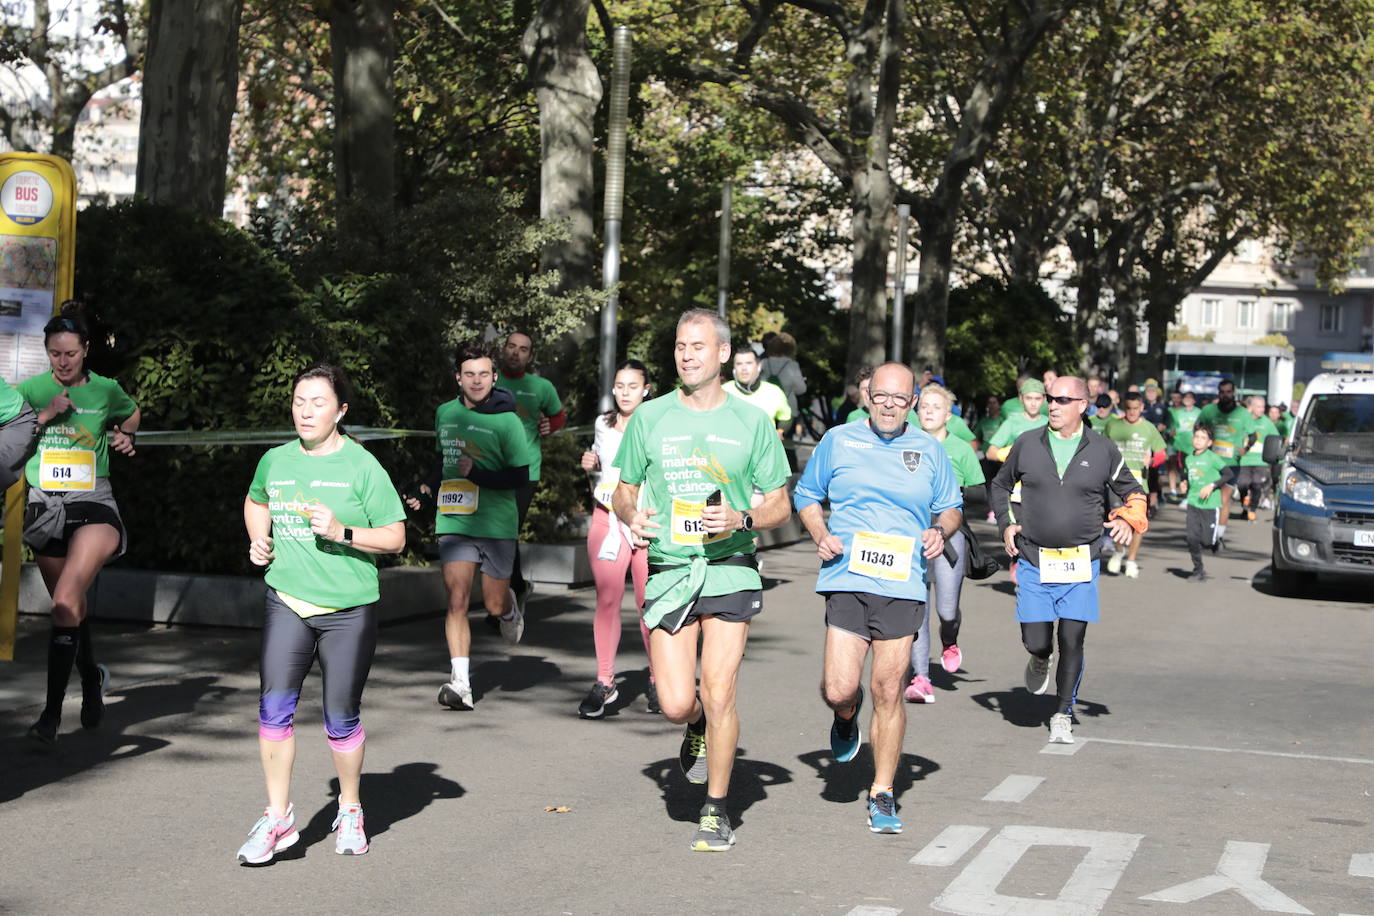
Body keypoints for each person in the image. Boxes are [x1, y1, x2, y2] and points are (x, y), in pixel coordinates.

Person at [611, 308, 791, 852]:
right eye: (680, 345)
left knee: (719, 691)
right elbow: (624, 488)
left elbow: (781, 503)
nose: (686, 354)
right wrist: (629, 513)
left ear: (722, 355)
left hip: (731, 565)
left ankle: (716, 806)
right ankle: (693, 728)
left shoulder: (751, 422)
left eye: (697, 345)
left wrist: (743, 519)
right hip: (669, 566)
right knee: (674, 701)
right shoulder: (651, 417)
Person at [239, 364, 406, 863]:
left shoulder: (362, 467)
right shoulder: (276, 460)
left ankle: (350, 808)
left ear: (341, 411)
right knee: (273, 710)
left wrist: (342, 532)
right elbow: (255, 502)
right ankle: (277, 818)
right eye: (298, 401)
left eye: (317, 402)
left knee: (340, 718)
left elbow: (396, 538)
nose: (306, 411)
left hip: (348, 609)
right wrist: (257, 539)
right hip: (287, 599)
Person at [794, 362, 961, 833]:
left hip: (903, 583)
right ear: (867, 395)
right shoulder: (838, 439)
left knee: (889, 689)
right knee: (839, 689)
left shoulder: (928, 450)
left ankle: (883, 791)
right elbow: (806, 495)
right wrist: (819, 532)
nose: (889, 405)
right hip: (847, 574)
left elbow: (951, 508)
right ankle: (846, 717)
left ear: (912, 403)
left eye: (899, 398)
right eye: (880, 396)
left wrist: (938, 530)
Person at [989, 375, 1147, 744]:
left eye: (1062, 399)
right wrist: (1007, 526)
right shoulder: (1027, 444)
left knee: (1072, 639)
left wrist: (1127, 518)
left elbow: (1133, 492)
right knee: (1037, 640)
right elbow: (998, 485)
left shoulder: (1103, 449)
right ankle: (1039, 658)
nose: (1053, 405)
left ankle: (1063, 711)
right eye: (1049, 399)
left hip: (1081, 561)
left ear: (1082, 405)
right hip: (1033, 558)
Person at [20, 306, 138, 745]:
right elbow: (8, 433)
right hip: (45, 508)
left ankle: (49, 717)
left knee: (67, 599)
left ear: (86, 350)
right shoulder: (31, 390)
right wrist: (45, 415)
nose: (63, 362)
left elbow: (131, 413)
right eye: (55, 354)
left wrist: (127, 434)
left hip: (93, 504)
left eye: (70, 353)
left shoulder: (106, 389)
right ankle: (90, 677)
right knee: (68, 610)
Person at [414, 344, 535, 712]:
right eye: (470, 374)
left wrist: (478, 474)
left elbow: (520, 476)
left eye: (484, 374)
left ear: (494, 378)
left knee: (493, 604)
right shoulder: (445, 414)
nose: (477, 380)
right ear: (458, 378)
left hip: (497, 522)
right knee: (456, 600)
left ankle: (509, 609)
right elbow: (443, 461)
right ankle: (461, 683)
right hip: (455, 519)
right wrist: (425, 488)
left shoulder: (508, 421)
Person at [577, 360, 656, 718]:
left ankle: (658, 679)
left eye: (632, 386)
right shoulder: (603, 422)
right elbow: (603, 462)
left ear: (646, 390)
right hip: (606, 519)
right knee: (607, 598)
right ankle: (605, 681)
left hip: (643, 522)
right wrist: (591, 461)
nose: (625, 392)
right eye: (619, 386)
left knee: (647, 604)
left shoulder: (656, 424)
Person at [905, 383, 984, 703]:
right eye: (924, 406)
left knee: (946, 610)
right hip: (912, 535)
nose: (929, 412)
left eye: (936, 407)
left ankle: (949, 639)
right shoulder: (905, 443)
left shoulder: (961, 449)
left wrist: (953, 501)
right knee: (917, 606)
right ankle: (921, 677)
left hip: (951, 536)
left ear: (948, 415)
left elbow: (979, 493)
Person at [496, 331, 565, 611]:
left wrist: (551, 425)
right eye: (512, 346)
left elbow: (557, 414)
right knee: (498, 534)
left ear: (530, 356)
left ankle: (507, 600)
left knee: (506, 531)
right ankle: (516, 588)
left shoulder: (541, 386)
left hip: (526, 471)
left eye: (523, 349)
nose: (516, 352)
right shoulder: (488, 380)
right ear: (503, 349)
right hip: (489, 469)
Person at [1102, 393, 1167, 578]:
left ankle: (1131, 560)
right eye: (1129, 408)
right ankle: (1118, 551)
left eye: (1136, 409)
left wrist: (1152, 460)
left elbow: (1162, 453)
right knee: (1118, 520)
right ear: (1124, 407)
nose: (1132, 412)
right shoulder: (1113, 425)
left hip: (1139, 483)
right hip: (1115, 483)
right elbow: (1102, 448)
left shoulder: (1148, 428)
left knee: (1137, 523)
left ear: (1141, 408)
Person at [1195, 378, 1251, 542]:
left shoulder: (1242, 413)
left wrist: (1245, 449)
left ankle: (1217, 536)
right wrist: (1201, 444)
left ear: (1233, 393)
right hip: (1209, 462)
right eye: (1222, 392)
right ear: (1218, 393)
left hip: (1231, 464)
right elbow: (1197, 427)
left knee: (1223, 499)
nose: (1226, 395)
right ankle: (1205, 529)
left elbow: (1253, 436)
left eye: (1228, 392)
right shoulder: (1208, 410)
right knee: (1205, 497)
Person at [1183, 424, 1226, 581]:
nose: (1198, 440)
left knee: (1206, 542)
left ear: (1209, 443)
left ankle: (1215, 542)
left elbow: (1227, 474)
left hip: (1210, 505)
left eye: (1203, 438)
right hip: (1193, 502)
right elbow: (1186, 474)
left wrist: (1212, 485)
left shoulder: (1213, 458)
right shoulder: (1188, 458)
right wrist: (1183, 483)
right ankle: (1198, 569)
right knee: (1192, 538)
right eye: (1196, 437)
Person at [724, 347, 791, 433]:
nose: (744, 368)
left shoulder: (774, 392)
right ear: (734, 368)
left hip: (764, 445)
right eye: (739, 364)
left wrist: (780, 432)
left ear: (759, 366)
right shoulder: (723, 391)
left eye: (749, 363)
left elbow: (786, 417)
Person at [1237, 395, 1280, 521]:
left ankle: (1252, 509)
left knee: (1256, 485)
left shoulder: (1267, 422)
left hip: (1261, 461)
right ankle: (1244, 505)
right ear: (1252, 407)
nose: (1262, 409)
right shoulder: (1244, 420)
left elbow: (1275, 439)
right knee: (1242, 485)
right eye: (1259, 407)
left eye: (1263, 407)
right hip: (1245, 460)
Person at [759, 331, 807, 438]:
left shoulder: (764, 363)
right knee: (785, 446)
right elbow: (801, 389)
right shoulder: (792, 365)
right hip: (787, 410)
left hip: (766, 408)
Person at [986, 379, 1047, 462]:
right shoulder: (1011, 422)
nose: (1033, 403)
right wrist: (1012, 454)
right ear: (1021, 399)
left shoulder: (1049, 423)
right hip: (1018, 473)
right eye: (1029, 398)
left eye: (1037, 399)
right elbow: (990, 453)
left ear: (1043, 400)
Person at [1166, 390, 1202, 501]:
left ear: (1194, 400)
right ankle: (1186, 494)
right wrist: (1169, 432)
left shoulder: (1199, 412)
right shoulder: (1177, 413)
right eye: (1185, 397)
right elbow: (1171, 427)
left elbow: (1204, 427)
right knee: (1182, 471)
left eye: (1190, 398)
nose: (1187, 399)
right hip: (1180, 447)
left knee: (1194, 470)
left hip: (1195, 446)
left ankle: (1191, 494)